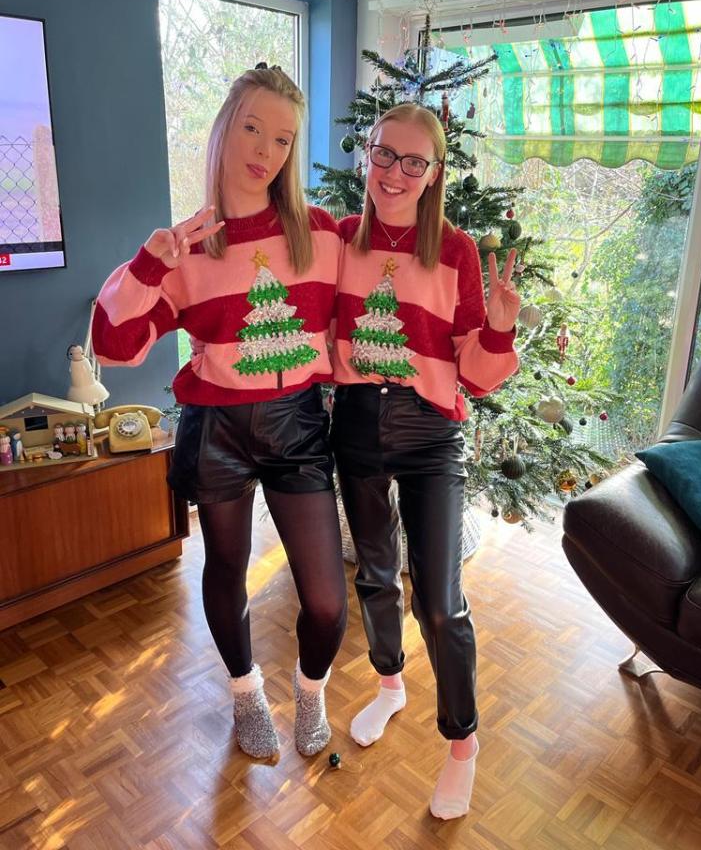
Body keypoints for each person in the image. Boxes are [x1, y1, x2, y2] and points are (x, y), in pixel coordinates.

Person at [93, 65, 347, 762]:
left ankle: (310, 688)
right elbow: (111, 348)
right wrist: (149, 265)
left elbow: (391, 281)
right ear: (225, 129)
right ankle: (245, 694)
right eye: (252, 127)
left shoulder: (321, 236)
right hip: (218, 432)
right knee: (225, 572)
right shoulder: (190, 246)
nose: (265, 150)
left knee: (326, 603)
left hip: (297, 426)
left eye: (284, 139)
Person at [331, 103, 520, 818]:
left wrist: (498, 328)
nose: (396, 173)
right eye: (385, 155)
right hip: (354, 423)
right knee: (375, 574)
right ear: (367, 156)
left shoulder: (458, 251)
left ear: (435, 172)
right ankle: (388, 684)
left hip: (430, 428)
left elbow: (473, 370)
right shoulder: (341, 240)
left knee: (439, 603)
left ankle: (463, 739)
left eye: (415, 162)